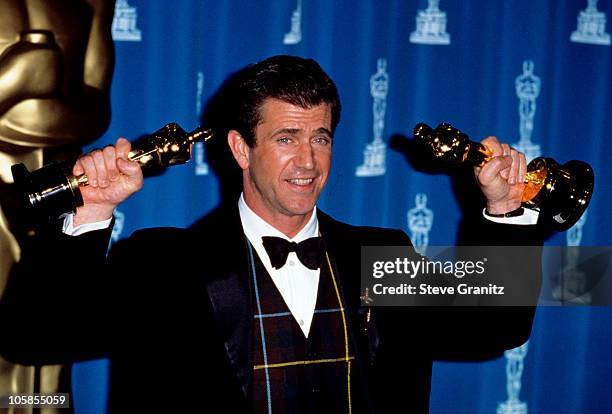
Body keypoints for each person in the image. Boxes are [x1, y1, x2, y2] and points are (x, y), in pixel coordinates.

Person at [0, 55, 541, 413]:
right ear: (241, 148)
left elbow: (494, 325)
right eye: (287, 137)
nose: (308, 161)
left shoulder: (380, 255)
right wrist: (90, 212)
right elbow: (35, 335)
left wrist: (504, 211)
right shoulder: (164, 264)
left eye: (321, 138)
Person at [0, 1, 115, 412]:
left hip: (60, 189)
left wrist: (34, 94)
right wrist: (17, 78)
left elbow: (96, 106)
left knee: (52, 360)